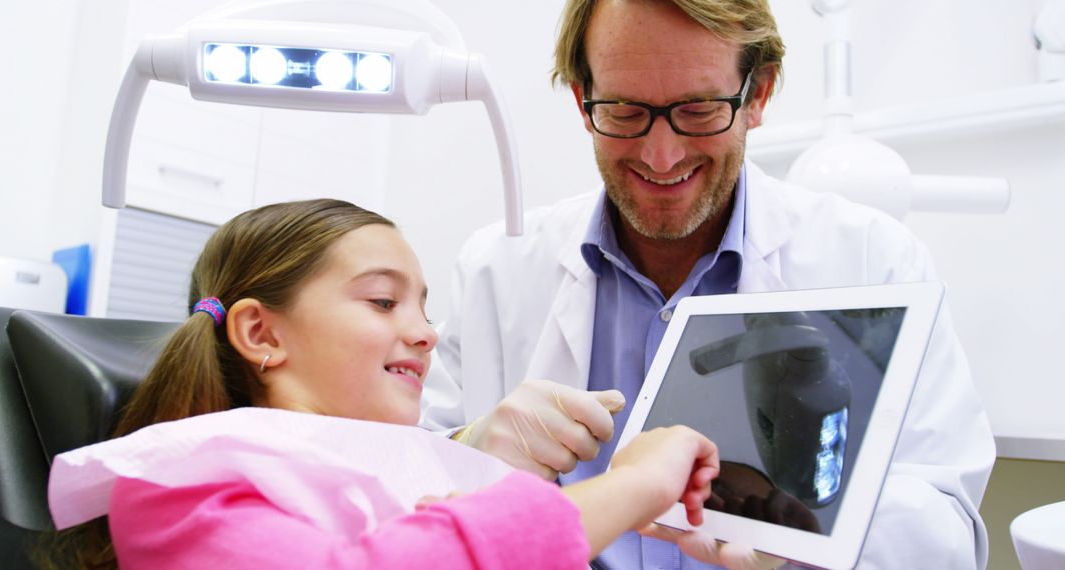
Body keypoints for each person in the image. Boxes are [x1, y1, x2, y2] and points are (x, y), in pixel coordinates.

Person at [420, 0, 996, 568]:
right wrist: (468, 447)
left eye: (698, 109)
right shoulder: (495, 269)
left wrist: (806, 533)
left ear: (758, 94)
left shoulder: (875, 257)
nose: (661, 155)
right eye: (623, 110)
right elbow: (401, 497)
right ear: (581, 98)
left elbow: (948, 531)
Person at [41, 199, 723, 569]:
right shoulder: (181, 489)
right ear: (261, 334)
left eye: (424, 307)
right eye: (382, 302)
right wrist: (632, 485)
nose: (427, 333)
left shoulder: (401, 481)